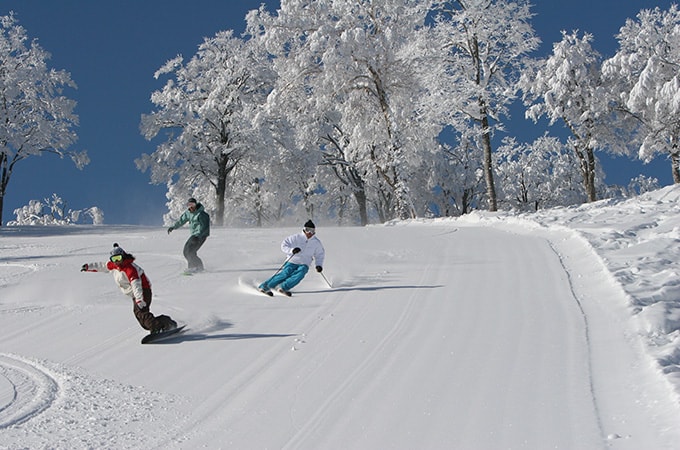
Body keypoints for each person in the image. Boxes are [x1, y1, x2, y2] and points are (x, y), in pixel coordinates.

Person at [81, 243, 177, 333]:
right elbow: (101, 266)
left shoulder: (130, 269)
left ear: (123, 256)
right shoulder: (113, 265)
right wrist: (88, 267)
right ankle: (165, 322)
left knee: (142, 313)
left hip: (143, 291)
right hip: (135, 294)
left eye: (119, 258)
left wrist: (139, 299)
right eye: (114, 259)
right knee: (140, 317)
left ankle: (157, 328)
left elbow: (136, 285)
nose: (117, 262)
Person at [259, 220, 325, 297]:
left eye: (312, 230)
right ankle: (265, 286)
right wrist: (292, 250)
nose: (309, 233)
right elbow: (284, 245)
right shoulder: (295, 238)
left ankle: (283, 287)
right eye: (307, 230)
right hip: (292, 261)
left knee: (300, 274)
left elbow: (320, 255)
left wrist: (319, 265)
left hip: (304, 263)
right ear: (304, 229)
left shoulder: (316, 242)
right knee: (285, 274)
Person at [167, 197, 210, 273]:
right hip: (194, 235)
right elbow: (181, 221)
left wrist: (199, 236)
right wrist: (173, 227)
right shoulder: (188, 213)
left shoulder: (202, 214)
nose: (191, 206)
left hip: (201, 236)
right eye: (189, 205)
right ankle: (198, 267)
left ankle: (193, 267)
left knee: (190, 251)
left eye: (192, 204)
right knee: (186, 251)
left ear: (196, 204)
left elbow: (205, 226)